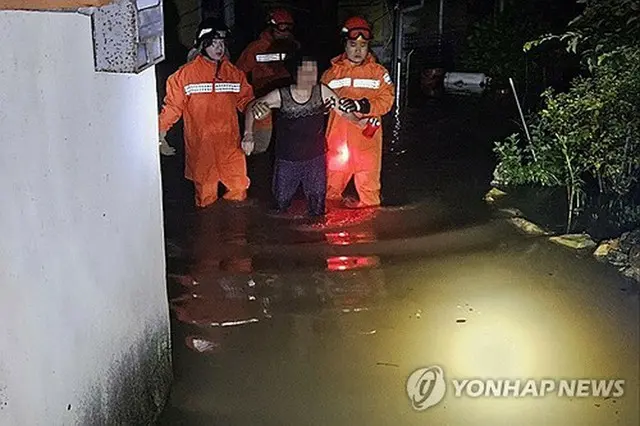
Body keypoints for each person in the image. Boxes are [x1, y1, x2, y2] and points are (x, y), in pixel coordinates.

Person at [241, 54, 358, 217]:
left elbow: (345, 113)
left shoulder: (322, 91)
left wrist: (361, 122)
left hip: (315, 160)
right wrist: (248, 135)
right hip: (287, 161)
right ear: (295, 74)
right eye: (305, 71)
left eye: (313, 71)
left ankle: (316, 241)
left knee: (318, 209)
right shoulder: (281, 95)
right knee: (280, 208)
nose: (310, 76)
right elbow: (251, 108)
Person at [158, 18, 255, 208]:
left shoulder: (234, 73)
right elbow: (172, 108)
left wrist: (254, 132)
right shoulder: (184, 76)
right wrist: (160, 136)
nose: (219, 48)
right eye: (213, 43)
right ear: (202, 45)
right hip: (202, 147)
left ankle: (236, 236)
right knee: (206, 198)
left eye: (221, 43)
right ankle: (209, 234)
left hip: (231, 145)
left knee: (239, 191)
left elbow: (249, 103)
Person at [320, 16, 395, 208]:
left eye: (363, 45)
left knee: (370, 197)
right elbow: (319, 103)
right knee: (330, 193)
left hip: (367, 143)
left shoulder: (379, 73)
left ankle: (369, 234)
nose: (358, 50)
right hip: (337, 143)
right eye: (353, 44)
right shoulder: (330, 74)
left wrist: (362, 106)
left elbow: (387, 101)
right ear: (345, 45)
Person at [235, 8, 300, 153]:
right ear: (271, 27)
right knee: (261, 145)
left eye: (288, 28)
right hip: (263, 97)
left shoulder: (294, 46)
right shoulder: (256, 48)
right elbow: (239, 73)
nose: (285, 32)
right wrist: (247, 97)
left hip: (287, 98)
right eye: (281, 27)